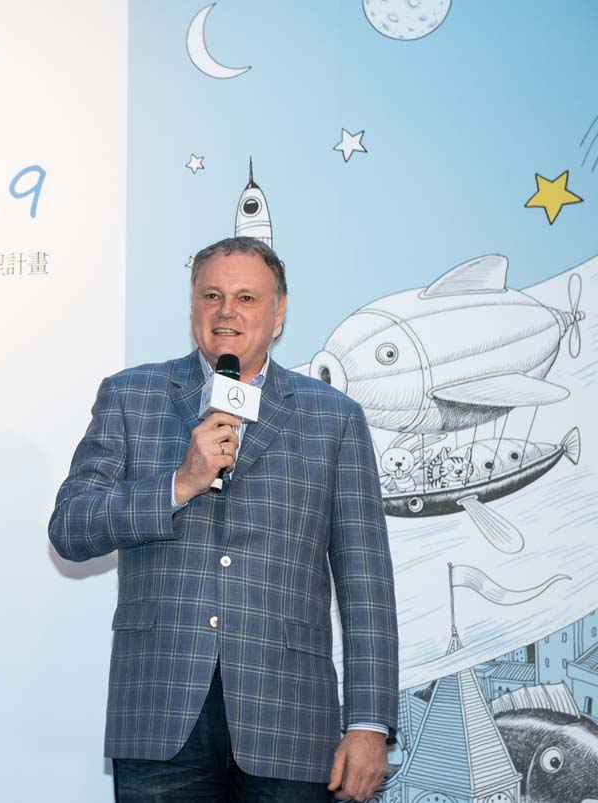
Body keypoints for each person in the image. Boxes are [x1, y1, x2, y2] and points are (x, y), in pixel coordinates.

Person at [49, 237, 398, 802]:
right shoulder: (130, 396)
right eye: (211, 295)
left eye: (246, 298)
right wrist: (179, 484)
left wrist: (369, 723)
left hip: (289, 714)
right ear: (193, 306)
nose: (226, 312)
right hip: (160, 711)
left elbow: (367, 583)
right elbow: (70, 528)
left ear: (278, 313)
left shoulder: (333, 417)